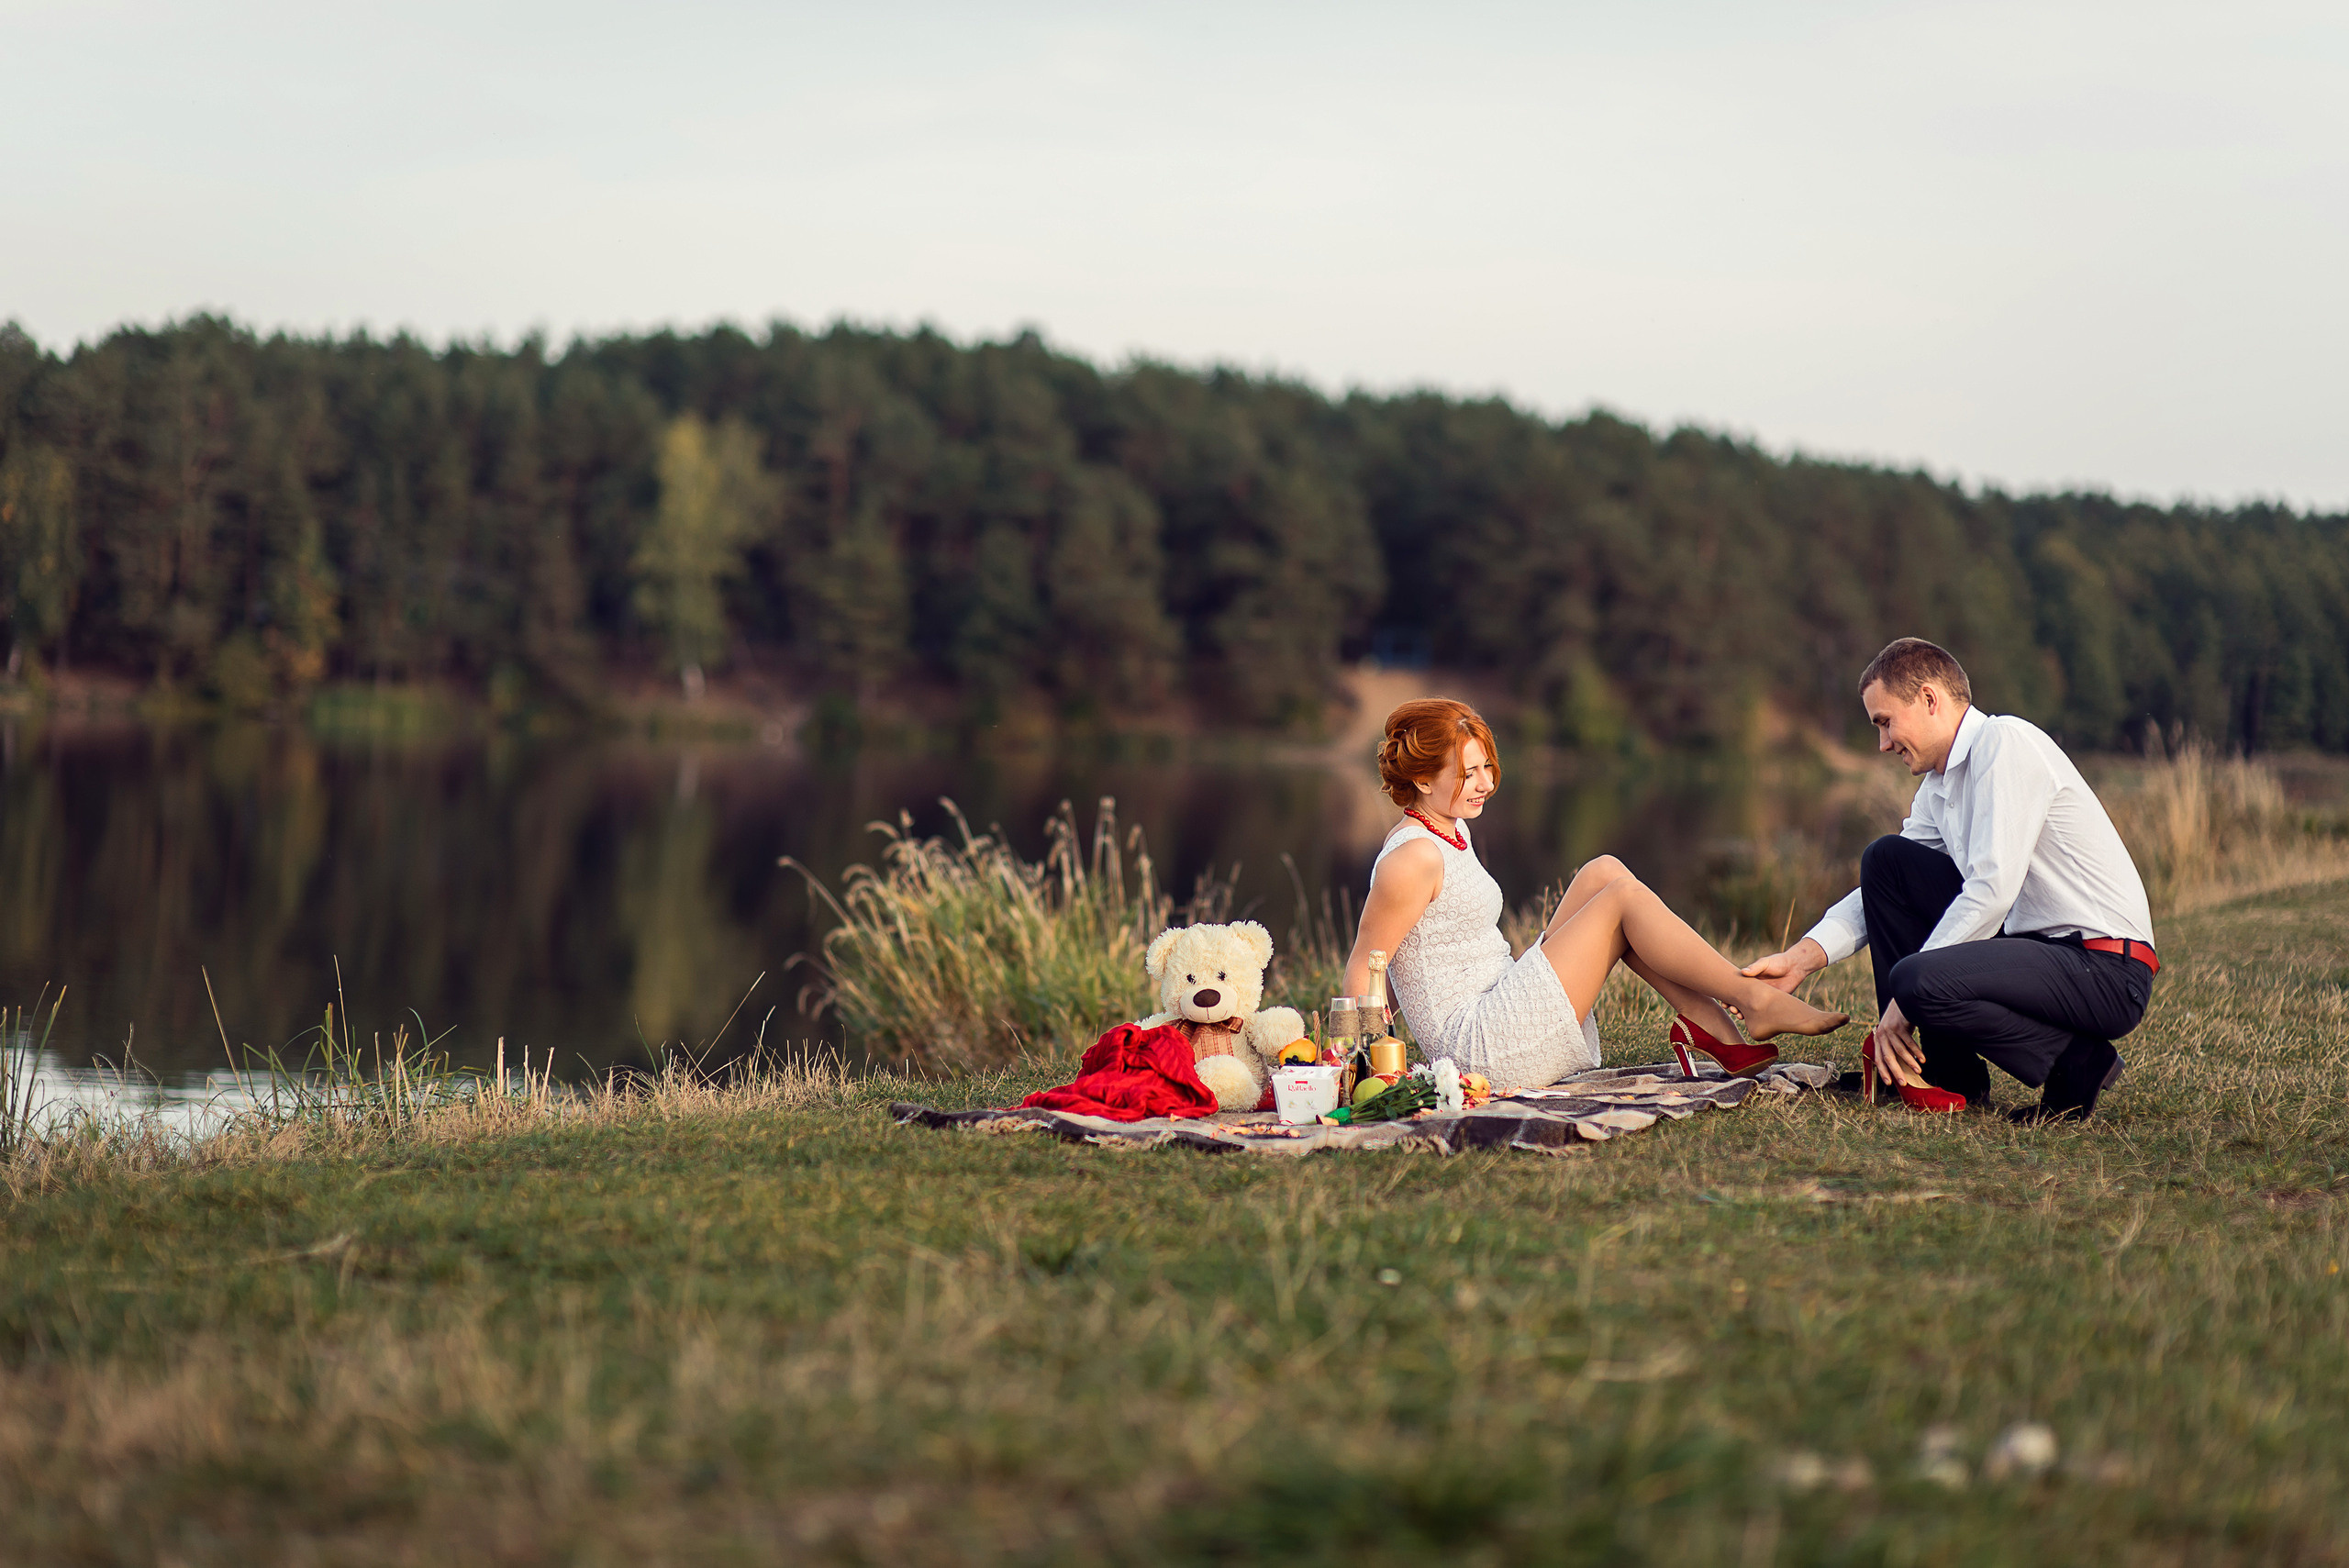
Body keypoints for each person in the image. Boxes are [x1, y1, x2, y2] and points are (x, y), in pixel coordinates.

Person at [1743, 639, 2157, 1122]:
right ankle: (1946, 1074)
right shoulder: (1939, 788)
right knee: (1887, 862)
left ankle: (2077, 1061)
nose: (1882, 744)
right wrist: (1800, 960)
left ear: (1929, 699)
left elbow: (1992, 889)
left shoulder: (2005, 744)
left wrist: (1904, 1002)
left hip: (2105, 969)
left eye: (1885, 722)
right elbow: (1881, 895)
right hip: (2046, 953)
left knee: (1917, 976)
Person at [1341, 698, 1848, 1091]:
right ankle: (1749, 999)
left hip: (1499, 1000)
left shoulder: (1449, 830)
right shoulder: (1413, 858)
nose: (1484, 784)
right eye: (1467, 773)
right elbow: (1368, 960)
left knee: (1604, 872)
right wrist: (1358, 1061)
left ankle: (1717, 1027)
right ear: (1422, 779)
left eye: (1486, 768)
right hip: (1478, 1045)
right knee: (1620, 901)